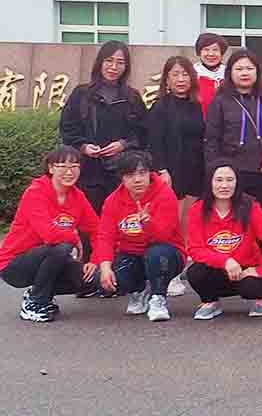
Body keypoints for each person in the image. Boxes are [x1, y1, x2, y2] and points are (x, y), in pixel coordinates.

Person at [0, 147, 98, 323]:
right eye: (63, 166)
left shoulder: (78, 197)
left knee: (93, 280)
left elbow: (97, 230)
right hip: (15, 264)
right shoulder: (35, 193)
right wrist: (75, 238)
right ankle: (35, 303)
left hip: (53, 258)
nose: (69, 172)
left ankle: (40, 292)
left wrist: (95, 260)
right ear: (51, 168)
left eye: (74, 166)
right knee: (61, 247)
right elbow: (50, 235)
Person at [92, 151, 185, 323]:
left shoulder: (165, 195)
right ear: (122, 178)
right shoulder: (112, 201)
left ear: (150, 173)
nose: (137, 180)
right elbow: (105, 236)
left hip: (166, 252)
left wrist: (147, 222)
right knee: (101, 277)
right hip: (131, 254)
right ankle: (139, 290)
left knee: (157, 254)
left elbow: (164, 236)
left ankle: (158, 297)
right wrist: (105, 267)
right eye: (130, 175)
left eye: (142, 173)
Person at [59, 40, 148, 214]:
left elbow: (143, 132)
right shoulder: (82, 94)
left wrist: (123, 144)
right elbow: (67, 127)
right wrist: (83, 146)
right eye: (109, 60)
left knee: (121, 218)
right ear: (100, 62)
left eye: (120, 62)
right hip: (88, 170)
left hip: (122, 172)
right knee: (90, 218)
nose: (114, 67)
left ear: (126, 67)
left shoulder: (132, 98)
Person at [186, 159, 262, 320]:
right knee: (195, 273)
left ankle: (261, 299)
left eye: (230, 180)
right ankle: (210, 301)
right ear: (209, 182)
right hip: (217, 268)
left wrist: (261, 269)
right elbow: (195, 249)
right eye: (219, 180)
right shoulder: (198, 209)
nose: (224, 185)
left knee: (252, 287)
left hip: (245, 271)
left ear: (237, 182)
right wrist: (225, 261)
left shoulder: (250, 206)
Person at [147, 55, 205, 297]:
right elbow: (154, 142)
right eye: (175, 74)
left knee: (187, 225)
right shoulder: (160, 107)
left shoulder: (196, 106)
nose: (181, 79)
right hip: (172, 172)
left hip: (196, 171)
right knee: (171, 225)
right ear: (167, 80)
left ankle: (180, 269)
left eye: (185, 74)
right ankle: (168, 274)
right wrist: (161, 170)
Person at [204, 48, 262, 209]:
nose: (244, 73)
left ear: (257, 72)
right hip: (230, 173)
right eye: (239, 69)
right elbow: (211, 139)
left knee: (257, 215)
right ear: (230, 73)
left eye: (249, 68)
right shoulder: (220, 102)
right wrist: (214, 170)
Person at [194, 32, 229, 115]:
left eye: (215, 50)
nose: (211, 54)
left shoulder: (229, 74)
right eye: (206, 49)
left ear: (222, 53)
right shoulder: (192, 74)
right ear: (199, 52)